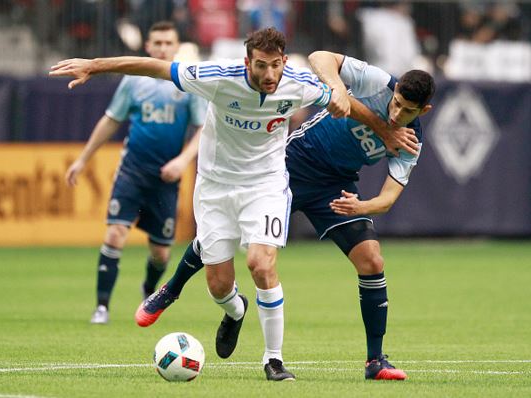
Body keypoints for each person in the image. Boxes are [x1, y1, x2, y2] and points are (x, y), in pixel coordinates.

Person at [50, 27, 418, 381]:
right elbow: (157, 68)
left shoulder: (298, 83)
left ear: (284, 62)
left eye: (276, 65)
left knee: (261, 263)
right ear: (247, 62)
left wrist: (373, 122)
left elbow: (345, 104)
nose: (270, 73)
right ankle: (234, 310)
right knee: (219, 285)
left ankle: (274, 359)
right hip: (215, 186)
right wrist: (95, 65)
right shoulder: (217, 76)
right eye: (261, 65)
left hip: (267, 184)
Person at [132, 50, 435, 381]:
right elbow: (321, 57)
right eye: (396, 103)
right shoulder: (377, 81)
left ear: (424, 111)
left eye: (407, 111)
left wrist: (362, 207)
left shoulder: (412, 140)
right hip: (290, 164)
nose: (396, 113)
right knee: (222, 233)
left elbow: (388, 198)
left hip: (334, 187)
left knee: (372, 261)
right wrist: (337, 88)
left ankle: (375, 362)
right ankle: (171, 290)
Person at [63, 21, 206, 325]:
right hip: (132, 170)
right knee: (115, 233)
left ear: (177, 46)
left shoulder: (186, 83)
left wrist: (183, 161)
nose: (163, 48)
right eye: (158, 43)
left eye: (169, 43)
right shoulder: (133, 81)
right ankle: (102, 306)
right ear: (148, 47)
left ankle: (149, 293)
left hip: (167, 178)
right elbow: (111, 120)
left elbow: (204, 129)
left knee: (160, 254)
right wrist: (83, 159)